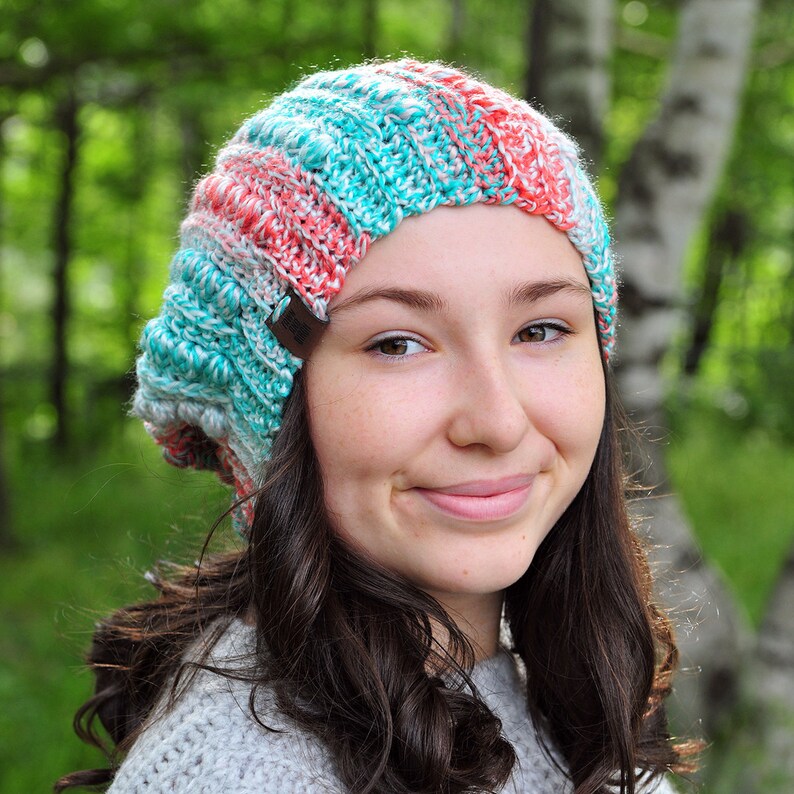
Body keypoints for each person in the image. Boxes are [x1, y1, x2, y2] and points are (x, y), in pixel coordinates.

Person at [58, 59, 699, 793]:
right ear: (269, 409)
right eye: (397, 344)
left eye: (541, 330)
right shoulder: (244, 773)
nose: (496, 420)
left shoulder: (553, 685)